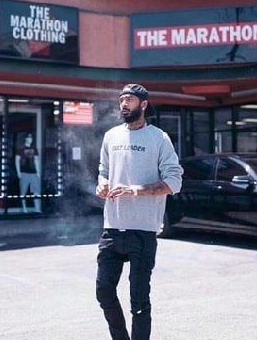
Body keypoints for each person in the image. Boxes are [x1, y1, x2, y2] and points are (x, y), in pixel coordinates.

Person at [95, 83, 183, 340]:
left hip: (142, 232)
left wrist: (134, 190)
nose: (124, 104)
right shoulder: (111, 136)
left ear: (143, 104)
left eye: (130, 100)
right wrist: (101, 183)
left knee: (139, 301)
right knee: (103, 292)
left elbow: (174, 182)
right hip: (112, 227)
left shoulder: (159, 138)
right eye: (121, 99)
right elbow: (103, 170)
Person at [15, 132, 41, 213]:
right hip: (24, 172)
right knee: (23, 191)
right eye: (29, 138)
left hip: (33, 173)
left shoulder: (34, 149)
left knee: (36, 191)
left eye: (31, 138)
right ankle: (24, 208)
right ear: (26, 139)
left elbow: (36, 160)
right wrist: (18, 172)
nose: (30, 139)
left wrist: (38, 172)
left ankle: (37, 208)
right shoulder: (20, 149)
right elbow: (17, 161)